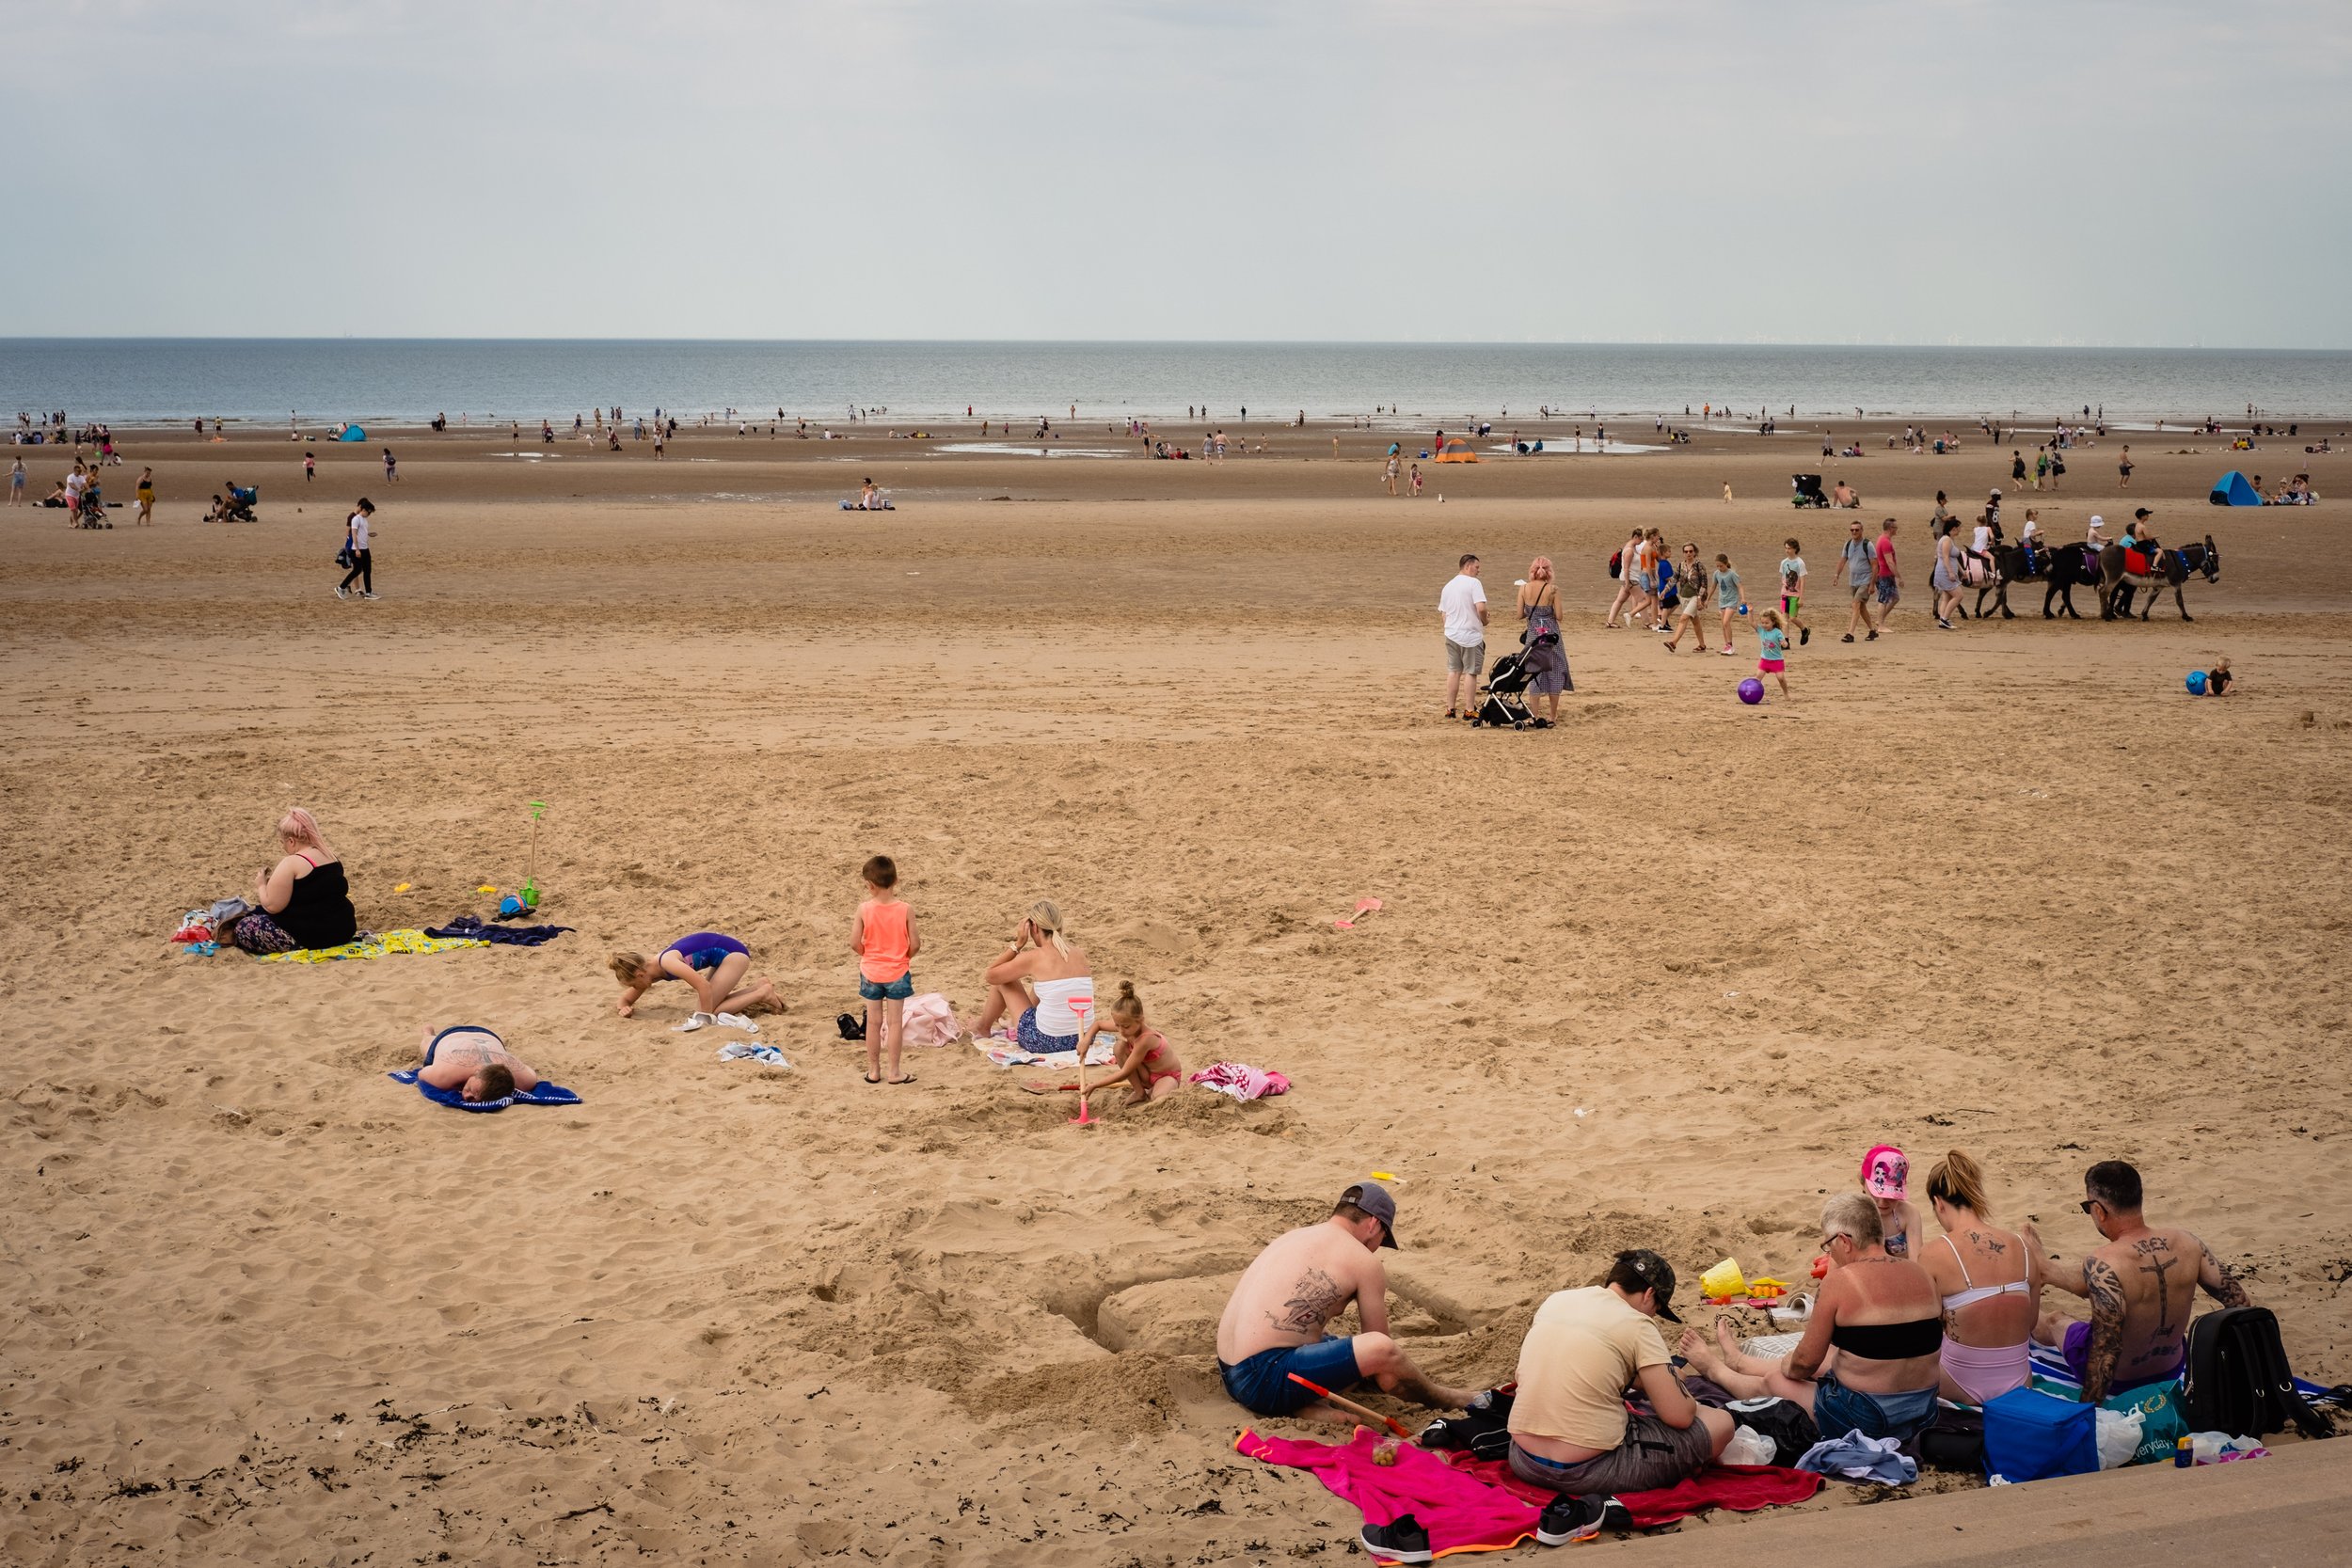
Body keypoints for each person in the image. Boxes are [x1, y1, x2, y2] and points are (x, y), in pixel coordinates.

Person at [1677, 1194, 1944, 1443]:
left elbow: (1804, 1363)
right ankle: (1738, 1360)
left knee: (1778, 1381)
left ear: (1845, 1241)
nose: (1830, 1254)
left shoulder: (1841, 1281)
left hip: (1869, 1417)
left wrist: (1785, 1366)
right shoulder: (1922, 1274)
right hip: (1923, 1411)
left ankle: (1717, 1370)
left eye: (1828, 1245)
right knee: (1836, 1358)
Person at [1215, 1183, 1474, 1420]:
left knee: (1333, 1343)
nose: (1376, 1247)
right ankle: (1447, 1398)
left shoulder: (1294, 1237)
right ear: (1374, 1224)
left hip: (1229, 1371)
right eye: (1382, 1239)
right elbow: (1379, 1346)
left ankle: (1301, 1404)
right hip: (1263, 1379)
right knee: (1381, 1350)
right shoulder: (1363, 1259)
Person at [1508, 1250, 1734, 1497]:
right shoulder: (1637, 1323)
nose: (1652, 1316)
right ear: (1649, 1295)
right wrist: (1678, 1388)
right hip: (1589, 1469)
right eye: (1656, 1310)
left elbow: (1527, 1378)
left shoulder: (1557, 1300)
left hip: (1523, 1459)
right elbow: (1679, 1417)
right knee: (1720, 1423)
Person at [2028, 1160, 2249, 1403]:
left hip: (2121, 1379)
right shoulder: (2187, 1242)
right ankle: (2047, 1269)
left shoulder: (2102, 1262)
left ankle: (2025, 1298)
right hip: (2171, 1367)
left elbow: (2106, 1349)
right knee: (2101, 1280)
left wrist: (2090, 1409)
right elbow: (2239, 1302)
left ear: (2099, 1210)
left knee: (2055, 1320)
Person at [1916, 1149, 2040, 1405]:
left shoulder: (1935, 1251)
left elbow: (1924, 1331)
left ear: (1939, 1203)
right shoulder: (2023, 1247)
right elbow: (2030, 1324)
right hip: (2019, 1382)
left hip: (1957, 1382)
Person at [217, 807, 358, 955]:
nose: (283, 847)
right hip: (343, 930)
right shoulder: (330, 856)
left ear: (291, 841)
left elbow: (272, 906)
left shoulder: (292, 862)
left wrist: (261, 885)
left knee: (244, 927)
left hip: (313, 936)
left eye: (282, 842)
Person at [1025, 978, 1184, 1106]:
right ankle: (1139, 1091)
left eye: (1126, 1027)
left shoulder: (1146, 1039)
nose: (1121, 1031)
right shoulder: (1126, 1027)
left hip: (1165, 1076)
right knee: (1119, 1046)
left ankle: (1151, 1091)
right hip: (1146, 1074)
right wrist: (1086, 1040)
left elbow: (1125, 1072)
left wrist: (1095, 1085)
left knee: (1159, 1098)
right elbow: (1098, 1024)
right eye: (1117, 1025)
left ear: (1140, 1020)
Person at [974, 900, 1093, 1050]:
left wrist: (1017, 945)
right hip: (1084, 1038)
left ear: (1034, 927)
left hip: (1047, 1042)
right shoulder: (1079, 954)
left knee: (1005, 981)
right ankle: (1014, 1021)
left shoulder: (1034, 957)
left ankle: (982, 1027)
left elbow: (991, 976)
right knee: (1045, 985)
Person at [850, 854, 921, 1085]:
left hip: (871, 971)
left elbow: (854, 942)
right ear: (896, 880)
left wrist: (868, 955)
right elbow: (915, 944)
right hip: (897, 971)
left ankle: (873, 1070)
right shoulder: (905, 909)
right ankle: (894, 1071)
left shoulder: (864, 909)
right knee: (894, 1023)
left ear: (869, 885)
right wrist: (903, 957)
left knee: (873, 1022)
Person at [609, 933, 781, 1026]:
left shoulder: (666, 963)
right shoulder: (647, 972)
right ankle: (758, 987)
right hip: (720, 957)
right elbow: (625, 999)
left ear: (639, 975)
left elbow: (703, 986)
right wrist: (623, 1008)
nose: (635, 988)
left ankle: (762, 994)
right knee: (711, 1004)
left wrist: (704, 1021)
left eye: (632, 984)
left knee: (709, 1012)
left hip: (733, 954)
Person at [412, 1023, 540, 1102]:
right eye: (470, 1089)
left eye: (472, 1098)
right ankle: (427, 1032)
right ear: (477, 1072)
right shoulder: (445, 1075)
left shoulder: (524, 1078)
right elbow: (422, 1073)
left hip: (489, 1036)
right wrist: (454, 1084)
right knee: (427, 1046)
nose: (466, 1096)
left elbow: (528, 1070)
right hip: (450, 1036)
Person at [1516, 557, 1568, 725]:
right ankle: (1552, 716)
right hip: (1551, 637)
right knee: (1555, 672)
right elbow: (1559, 616)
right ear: (1549, 571)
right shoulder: (1553, 589)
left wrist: (1532, 612)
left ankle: (1534, 714)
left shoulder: (1524, 588)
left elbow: (1518, 615)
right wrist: (1548, 613)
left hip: (1534, 637)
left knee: (1533, 674)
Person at [1438, 554, 1488, 719]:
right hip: (1470, 635)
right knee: (1470, 672)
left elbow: (1444, 614)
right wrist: (1484, 620)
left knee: (1454, 671)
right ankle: (1469, 709)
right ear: (1467, 566)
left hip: (1452, 633)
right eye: (1477, 567)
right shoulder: (1474, 583)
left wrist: (1450, 627)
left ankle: (1450, 708)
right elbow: (1481, 608)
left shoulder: (1448, 586)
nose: (1478, 570)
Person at [1861, 1144, 1918, 1258]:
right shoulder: (1855, 1215)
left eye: (1890, 1196)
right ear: (1863, 1184)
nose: (1882, 1202)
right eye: (1876, 1193)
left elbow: (1916, 1259)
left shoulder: (1907, 1213)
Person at [1661, 543, 1711, 653]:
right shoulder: (1681, 565)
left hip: (1695, 596)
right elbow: (1674, 579)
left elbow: (1704, 583)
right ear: (1683, 553)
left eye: (1691, 551)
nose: (1688, 553)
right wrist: (1665, 590)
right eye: (1686, 551)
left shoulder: (1699, 565)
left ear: (1694, 552)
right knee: (1695, 621)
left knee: (1683, 618)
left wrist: (1699, 598)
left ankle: (1673, 643)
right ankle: (1702, 645)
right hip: (1684, 597)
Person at [1839, 517, 1877, 642]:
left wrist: (1872, 584)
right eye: (1852, 530)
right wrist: (1837, 575)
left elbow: (1875, 565)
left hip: (1865, 580)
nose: (1854, 532)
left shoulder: (1868, 545)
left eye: (1856, 530)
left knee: (1855, 604)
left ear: (1862, 530)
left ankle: (1850, 633)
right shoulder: (1848, 544)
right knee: (1861, 607)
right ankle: (1872, 630)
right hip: (1853, 581)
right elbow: (1843, 560)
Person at [1603, 527, 1645, 629]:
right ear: (1635, 537)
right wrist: (1627, 583)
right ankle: (1647, 622)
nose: (1641, 541)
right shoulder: (1630, 550)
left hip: (1631, 578)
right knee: (1643, 600)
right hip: (1630, 579)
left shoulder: (1632, 547)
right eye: (1640, 539)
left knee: (1620, 600)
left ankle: (1610, 621)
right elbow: (1626, 568)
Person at [337, 499, 376, 600]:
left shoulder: (364, 520)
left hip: (365, 548)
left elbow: (360, 532)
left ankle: (368, 592)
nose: (369, 514)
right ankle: (341, 587)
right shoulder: (355, 519)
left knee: (367, 570)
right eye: (368, 511)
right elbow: (353, 534)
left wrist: (368, 534)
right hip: (357, 549)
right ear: (362, 509)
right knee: (357, 570)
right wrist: (357, 549)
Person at [1932, 519, 1964, 629]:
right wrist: (1951, 572)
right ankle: (1945, 619)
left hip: (1946, 572)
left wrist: (1961, 571)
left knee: (1947, 597)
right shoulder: (1946, 540)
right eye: (1958, 528)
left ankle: (1943, 620)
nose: (1960, 530)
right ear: (1953, 529)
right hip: (1945, 573)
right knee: (1959, 595)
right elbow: (1945, 557)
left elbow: (1953, 558)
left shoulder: (1949, 539)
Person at [1778, 537, 1810, 646]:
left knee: (1792, 618)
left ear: (1795, 549)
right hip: (1784, 594)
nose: (1787, 551)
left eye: (1789, 548)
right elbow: (1783, 578)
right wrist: (1783, 591)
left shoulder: (1800, 563)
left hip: (1795, 595)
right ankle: (1786, 642)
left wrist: (1801, 597)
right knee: (1784, 618)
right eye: (1786, 548)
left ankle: (1804, 629)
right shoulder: (1783, 562)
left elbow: (1802, 581)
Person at [1755, 609, 1790, 701]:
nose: (1764, 625)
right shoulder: (1761, 630)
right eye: (1762, 623)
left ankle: (1786, 693)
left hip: (1777, 660)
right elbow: (1751, 623)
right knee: (1758, 677)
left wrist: (1784, 643)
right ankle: (1753, 693)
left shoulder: (1777, 632)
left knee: (1781, 677)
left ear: (1773, 622)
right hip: (1765, 660)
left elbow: (1784, 642)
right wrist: (1750, 612)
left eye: (1767, 623)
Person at [1711, 552, 1742, 655]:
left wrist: (1743, 598)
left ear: (1726, 564)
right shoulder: (1716, 574)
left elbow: (1740, 586)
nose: (1719, 568)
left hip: (1732, 601)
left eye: (1721, 566)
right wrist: (1707, 599)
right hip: (1722, 601)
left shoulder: (1732, 574)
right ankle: (1727, 645)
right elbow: (1713, 587)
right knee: (1723, 625)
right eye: (1717, 566)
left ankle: (1730, 645)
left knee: (1726, 622)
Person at [1871, 519, 1902, 625]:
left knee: (1895, 598)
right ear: (1890, 529)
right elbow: (1890, 562)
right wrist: (1899, 577)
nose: (1897, 530)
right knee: (1883, 599)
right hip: (1884, 574)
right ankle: (1880, 625)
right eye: (1895, 528)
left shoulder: (1883, 539)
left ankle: (1880, 619)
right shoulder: (1885, 542)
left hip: (1887, 574)